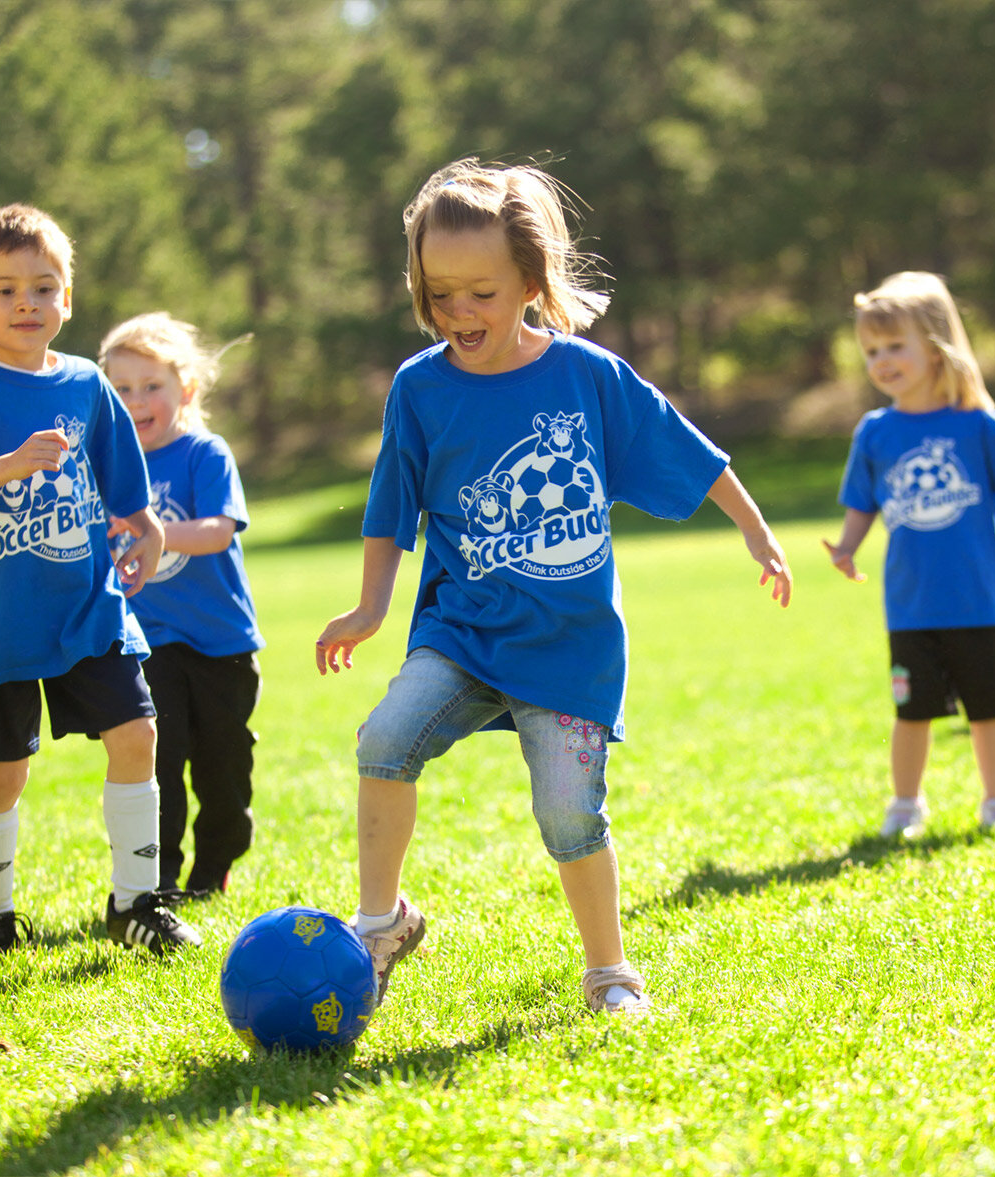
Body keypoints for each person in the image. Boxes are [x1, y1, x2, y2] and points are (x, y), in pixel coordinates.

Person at [315, 160, 793, 1017]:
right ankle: (380, 921)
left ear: (533, 282)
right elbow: (391, 506)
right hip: (462, 631)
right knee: (385, 737)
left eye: (482, 294)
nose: (460, 314)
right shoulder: (419, 388)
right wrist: (370, 605)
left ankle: (610, 970)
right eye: (440, 295)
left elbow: (691, 450)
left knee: (570, 817)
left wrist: (757, 531)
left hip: (570, 650)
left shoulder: (585, 376)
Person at [0, 204, 202, 962]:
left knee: (138, 733)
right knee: (3, 774)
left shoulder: (85, 383)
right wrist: (11, 463)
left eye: (44, 288)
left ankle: (136, 902)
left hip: (86, 606)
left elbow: (121, 479)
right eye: (5, 290)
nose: (27, 304)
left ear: (67, 299)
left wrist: (148, 525)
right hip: (0, 620)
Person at [822, 271, 995, 839]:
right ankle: (905, 805)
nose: (883, 360)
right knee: (912, 711)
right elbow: (863, 502)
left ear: (937, 345)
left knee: (989, 711)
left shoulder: (977, 425)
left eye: (896, 346)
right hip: (911, 604)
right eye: (871, 350)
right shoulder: (874, 432)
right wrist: (848, 547)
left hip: (980, 600)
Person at [98, 312, 263, 900]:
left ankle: (212, 866)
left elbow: (219, 530)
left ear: (185, 389)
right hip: (147, 644)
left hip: (220, 644)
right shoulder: (107, 468)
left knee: (223, 772)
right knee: (157, 765)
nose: (136, 400)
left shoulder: (203, 453)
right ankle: (158, 879)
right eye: (121, 390)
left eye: (152, 387)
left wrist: (157, 534)